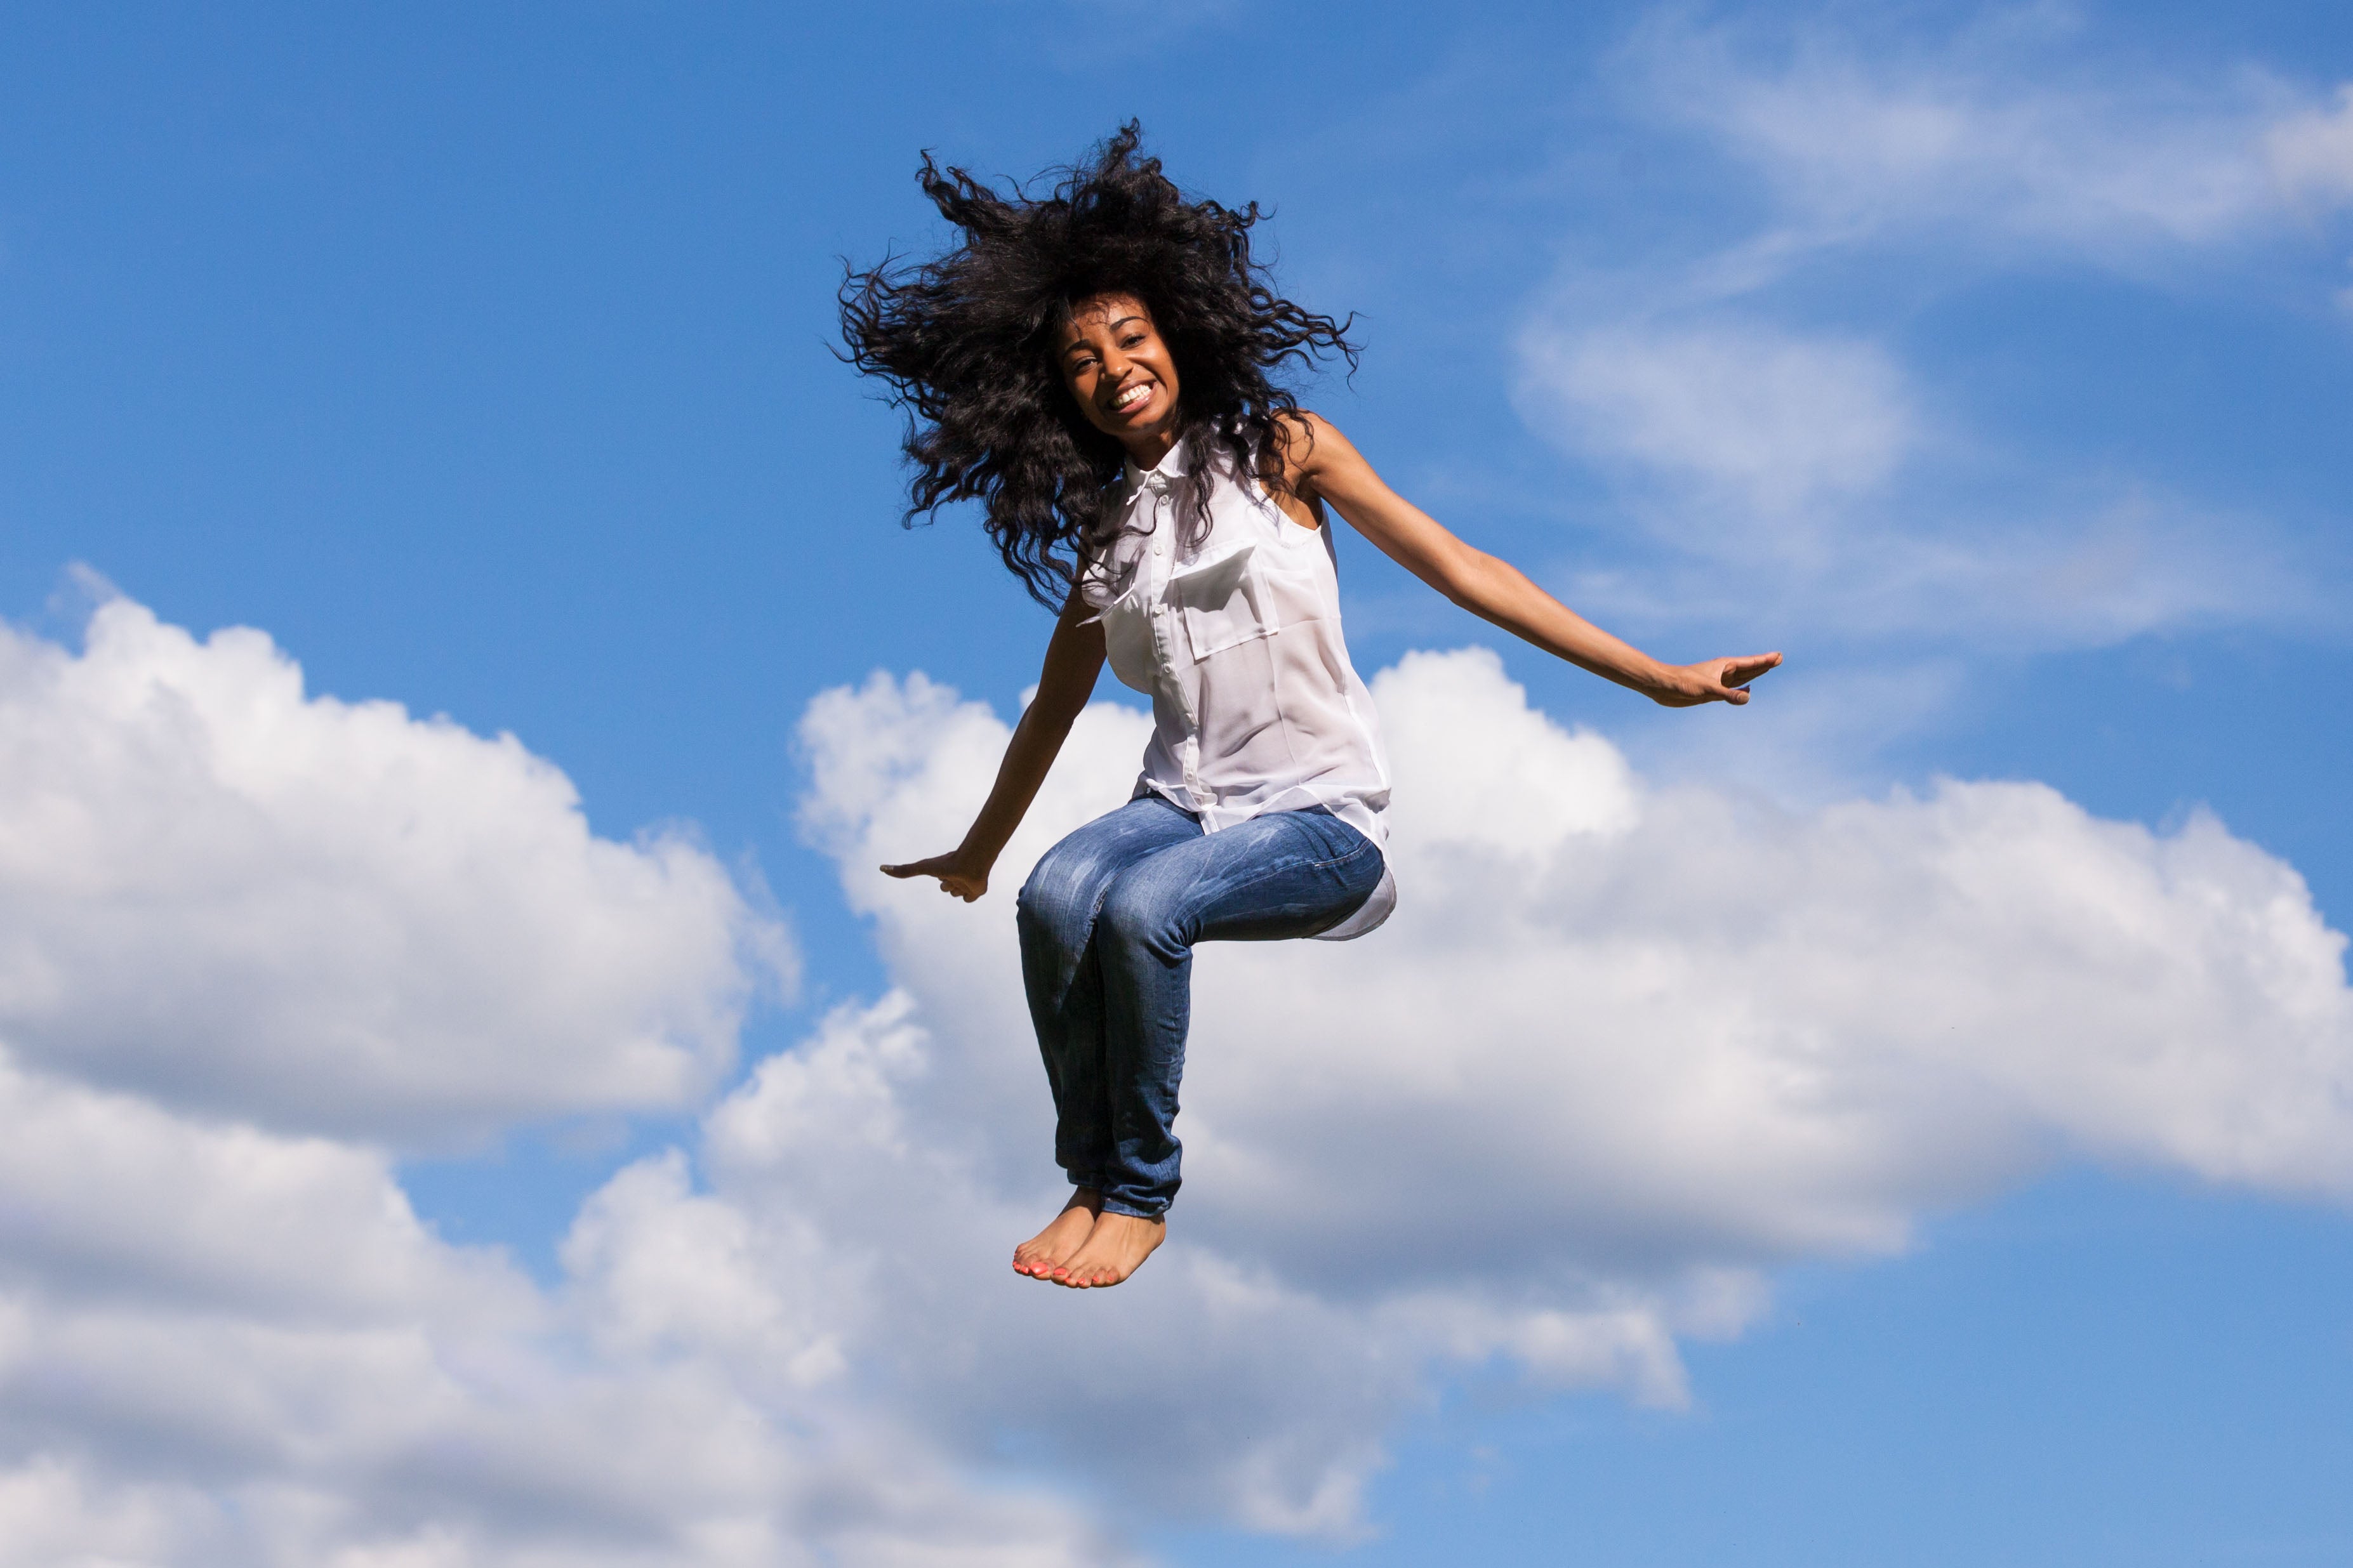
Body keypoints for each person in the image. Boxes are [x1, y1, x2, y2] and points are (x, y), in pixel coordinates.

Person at [839, 124, 1779, 1291]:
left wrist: (1657, 675)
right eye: (1081, 360)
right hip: (1180, 804)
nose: (1113, 366)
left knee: (1138, 913)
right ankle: (1089, 1173)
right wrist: (979, 852)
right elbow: (1049, 713)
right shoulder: (1110, 538)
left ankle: (1140, 1191)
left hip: (1319, 822)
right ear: (1058, 395)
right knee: (1056, 895)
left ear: (1178, 336)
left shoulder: (1282, 449)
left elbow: (1462, 567)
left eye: (1131, 338)